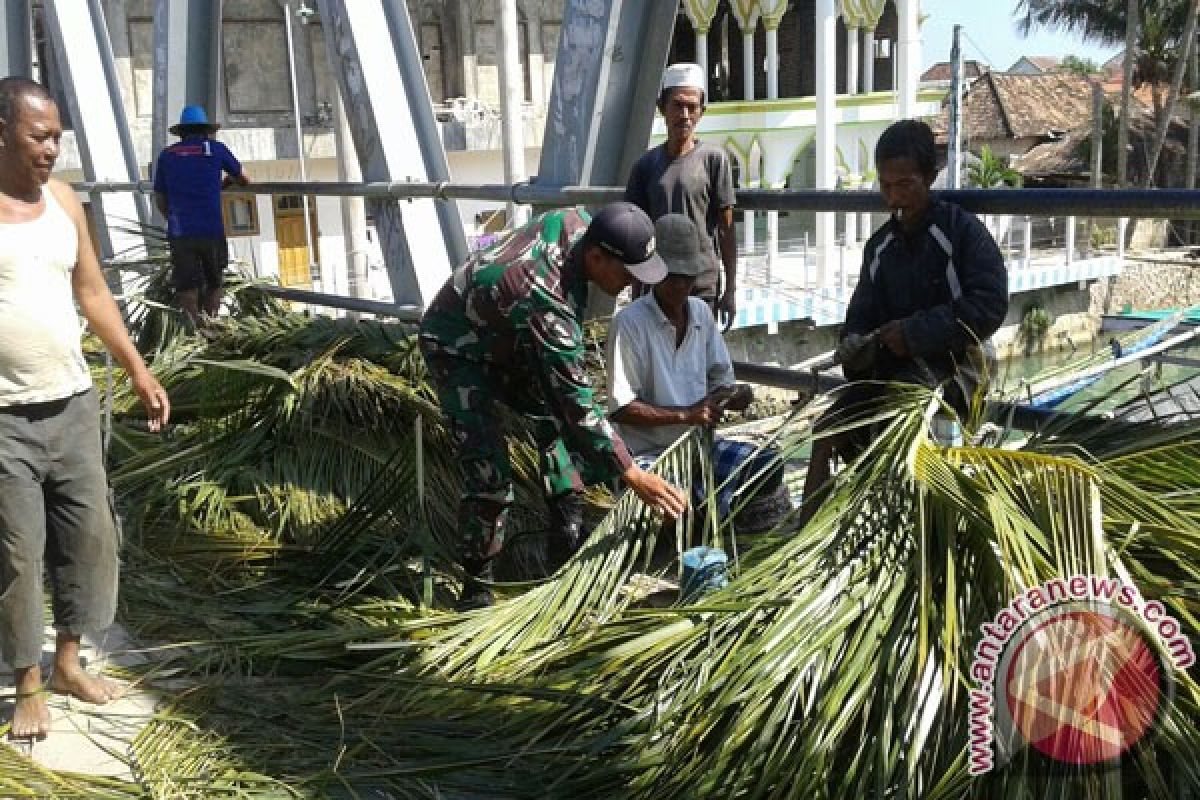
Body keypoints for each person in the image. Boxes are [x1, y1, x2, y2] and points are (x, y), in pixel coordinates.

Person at [0, 77, 170, 741]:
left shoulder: (65, 202)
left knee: (90, 540)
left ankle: (68, 660)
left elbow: (94, 292)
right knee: (16, 556)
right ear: (3, 133)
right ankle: (27, 684)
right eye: (39, 135)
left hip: (72, 404)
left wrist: (138, 368)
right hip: (5, 416)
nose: (52, 149)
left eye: (58, 137)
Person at [419, 202, 687, 610]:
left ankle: (565, 537)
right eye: (628, 274)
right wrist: (632, 473)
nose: (634, 285)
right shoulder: (545, 299)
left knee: (551, 420)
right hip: (456, 346)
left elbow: (565, 401)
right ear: (597, 257)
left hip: (510, 330)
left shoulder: (580, 223)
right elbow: (577, 401)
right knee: (489, 472)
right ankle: (476, 589)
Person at [797, 119, 1008, 526]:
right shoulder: (880, 247)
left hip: (956, 371)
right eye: (887, 186)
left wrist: (913, 333)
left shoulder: (961, 233)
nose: (895, 197)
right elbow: (860, 315)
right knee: (825, 433)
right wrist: (857, 345)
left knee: (900, 426)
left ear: (929, 177)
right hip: (892, 374)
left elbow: (989, 305)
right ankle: (806, 544)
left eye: (906, 184)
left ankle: (913, 532)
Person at [606, 214, 784, 524]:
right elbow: (621, 408)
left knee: (767, 464)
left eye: (686, 277)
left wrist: (735, 396)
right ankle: (700, 507)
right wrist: (686, 414)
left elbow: (722, 380)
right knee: (675, 506)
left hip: (700, 449)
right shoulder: (629, 324)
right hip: (650, 457)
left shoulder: (701, 313)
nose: (678, 285)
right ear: (654, 274)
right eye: (670, 276)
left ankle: (703, 503)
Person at [625, 62, 738, 329]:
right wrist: (636, 287)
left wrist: (731, 289)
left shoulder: (714, 160)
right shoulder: (645, 166)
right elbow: (634, 233)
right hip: (656, 286)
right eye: (677, 105)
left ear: (702, 112)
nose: (685, 115)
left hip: (701, 287)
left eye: (692, 107)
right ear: (662, 107)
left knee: (698, 362)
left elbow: (726, 230)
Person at [152, 105, 248, 326]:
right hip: (210, 229)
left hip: (180, 232)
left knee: (187, 286)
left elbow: (160, 197)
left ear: (182, 132)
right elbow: (244, 179)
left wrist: (172, 218)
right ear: (206, 131)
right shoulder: (216, 149)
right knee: (214, 282)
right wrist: (223, 184)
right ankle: (210, 327)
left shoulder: (167, 155)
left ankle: (192, 330)